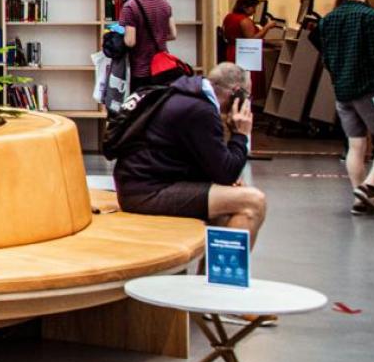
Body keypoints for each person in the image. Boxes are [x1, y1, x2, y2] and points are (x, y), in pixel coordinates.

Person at [111, 62, 267, 242]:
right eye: (248, 96)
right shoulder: (200, 110)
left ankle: (210, 269)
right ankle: (219, 271)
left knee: (231, 200)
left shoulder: (186, 94)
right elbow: (227, 173)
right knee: (254, 201)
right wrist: (241, 134)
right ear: (237, 93)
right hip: (147, 193)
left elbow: (216, 166)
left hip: (138, 186)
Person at [311, 0, 374, 217]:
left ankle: (359, 198)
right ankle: (370, 186)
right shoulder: (371, 17)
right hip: (368, 90)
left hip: (342, 91)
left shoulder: (328, 20)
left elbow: (325, 55)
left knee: (356, 145)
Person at [117, 0, 177, 92]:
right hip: (162, 67)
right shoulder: (164, 3)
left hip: (141, 69)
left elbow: (130, 41)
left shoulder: (130, 6)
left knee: (141, 107)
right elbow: (173, 34)